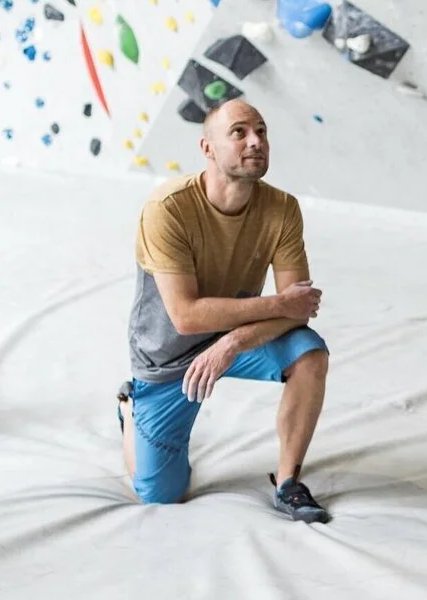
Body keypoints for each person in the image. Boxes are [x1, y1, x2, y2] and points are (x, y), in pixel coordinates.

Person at [120, 98, 334, 523]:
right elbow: (186, 315)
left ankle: (289, 481)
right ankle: (128, 409)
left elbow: (300, 309)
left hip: (236, 336)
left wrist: (235, 341)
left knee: (309, 352)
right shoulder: (167, 209)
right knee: (160, 494)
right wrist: (277, 305)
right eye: (239, 132)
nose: (255, 141)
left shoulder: (282, 209)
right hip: (168, 356)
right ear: (208, 148)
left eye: (261, 131)